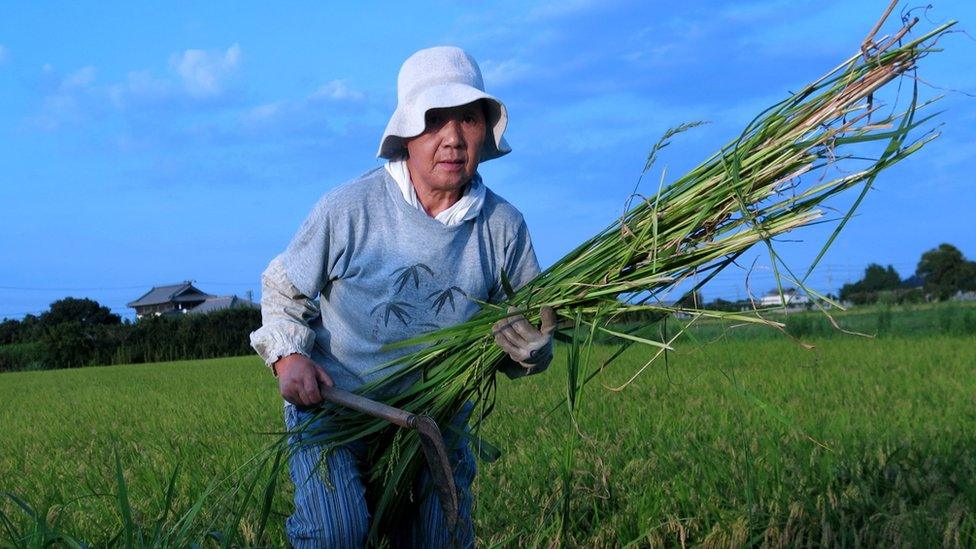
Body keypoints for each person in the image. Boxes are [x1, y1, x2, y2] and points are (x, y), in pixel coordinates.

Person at [250, 46, 555, 548]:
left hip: (436, 414)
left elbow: (529, 324)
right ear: (407, 134)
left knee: (443, 538)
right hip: (335, 402)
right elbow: (283, 287)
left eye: (467, 119)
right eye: (434, 120)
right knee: (336, 534)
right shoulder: (349, 208)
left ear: (485, 130)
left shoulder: (503, 227)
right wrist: (288, 360)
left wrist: (533, 354)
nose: (452, 138)